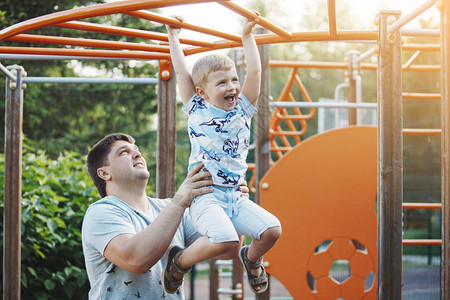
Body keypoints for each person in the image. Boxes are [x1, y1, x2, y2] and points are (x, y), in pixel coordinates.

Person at [166, 17, 282, 294]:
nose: (231, 87)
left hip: (236, 196)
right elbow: (182, 73)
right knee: (227, 240)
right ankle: (179, 261)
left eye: (233, 80)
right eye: (222, 83)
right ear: (202, 92)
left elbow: (254, 72)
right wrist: (174, 36)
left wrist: (246, 36)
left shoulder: (243, 109)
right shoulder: (196, 109)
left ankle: (252, 261)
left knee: (272, 230)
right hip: (206, 195)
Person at [82, 133, 249, 299]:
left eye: (136, 150)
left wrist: (232, 206)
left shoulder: (170, 209)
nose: (137, 154)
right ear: (104, 173)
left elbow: (228, 249)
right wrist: (179, 202)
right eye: (124, 152)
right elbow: (135, 260)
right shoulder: (101, 212)